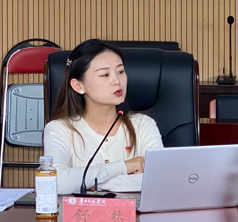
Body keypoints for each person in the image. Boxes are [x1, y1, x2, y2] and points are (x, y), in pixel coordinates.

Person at [43, 39, 163, 194]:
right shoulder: (60, 130)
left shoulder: (144, 125)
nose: (117, 81)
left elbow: (160, 180)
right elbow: (53, 182)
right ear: (78, 86)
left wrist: (94, 184)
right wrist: (123, 167)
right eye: (105, 74)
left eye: (120, 71)